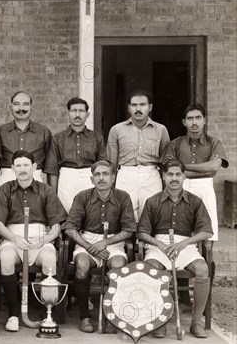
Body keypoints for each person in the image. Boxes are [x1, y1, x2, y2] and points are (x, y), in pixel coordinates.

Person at [0, 151, 67, 332]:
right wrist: (14, 238)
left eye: (26, 165)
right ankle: (13, 314)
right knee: (6, 257)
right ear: (12, 168)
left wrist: (45, 240)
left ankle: (45, 313)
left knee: (49, 258)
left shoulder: (46, 190)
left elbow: (56, 226)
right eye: (18, 165)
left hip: (39, 239)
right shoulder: (5, 189)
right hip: (13, 237)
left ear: (34, 167)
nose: (22, 169)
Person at [138, 158, 213, 339]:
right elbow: (142, 232)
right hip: (159, 245)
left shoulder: (195, 201)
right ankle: (159, 320)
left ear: (184, 176)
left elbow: (206, 231)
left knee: (202, 269)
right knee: (151, 269)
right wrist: (162, 245)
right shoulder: (152, 201)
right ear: (163, 176)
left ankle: (196, 323)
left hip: (185, 245)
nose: (174, 178)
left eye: (178, 174)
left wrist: (183, 244)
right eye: (170, 174)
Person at [62, 160, 135, 332]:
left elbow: (129, 230)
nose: (101, 178)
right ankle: (84, 316)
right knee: (82, 265)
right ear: (91, 178)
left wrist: (105, 243)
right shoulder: (82, 196)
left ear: (113, 177)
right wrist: (89, 246)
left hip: (114, 241)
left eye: (105, 174)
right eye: (97, 175)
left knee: (118, 266)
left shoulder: (123, 197)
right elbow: (70, 229)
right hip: (87, 239)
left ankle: (111, 315)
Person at [163, 104, 229, 242]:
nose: (194, 122)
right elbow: (171, 169)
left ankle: (207, 260)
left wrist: (181, 166)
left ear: (204, 120)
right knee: (180, 228)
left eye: (198, 118)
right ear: (184, 122)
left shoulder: (214, 143)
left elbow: (214, 167)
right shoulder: (175, 144)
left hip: (205, 187)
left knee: (208, 230)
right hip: (181, 187)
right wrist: (202, 169)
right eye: (190, 118)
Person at [106, 90, 170, 221]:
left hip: (151, 173)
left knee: (152, 212)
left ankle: (146, 241)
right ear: (129, 108)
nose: (138, 109)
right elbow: (111, 162)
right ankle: (129, 241)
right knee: (125, 213)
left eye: (142, 104)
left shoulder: (161, 129)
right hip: (126, 173)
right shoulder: (116, 130)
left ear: (150, 107)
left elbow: (166, 160)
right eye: (134, 105)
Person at [44, 98, 106, 212]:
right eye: (74, 111)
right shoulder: (58, 138)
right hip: (67, 177)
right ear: (68, 114)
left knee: (90, 211)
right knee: (67, 211)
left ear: (87, 114)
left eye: (81, 111)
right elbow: (52, 169)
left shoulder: (96, 137)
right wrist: (53, 196)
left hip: (89, 177)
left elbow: (102, 165)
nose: (77, 115)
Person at [0, 91, 52, 188]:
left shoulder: (43, 131)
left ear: (31, 108)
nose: (21, 108)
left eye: (25, 104)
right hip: (8, 176)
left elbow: (49, 164)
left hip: (35, 176)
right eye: (16, 104)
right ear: (11, 108)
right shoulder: (0, 131)